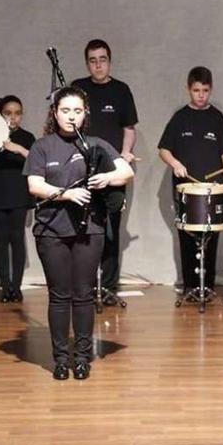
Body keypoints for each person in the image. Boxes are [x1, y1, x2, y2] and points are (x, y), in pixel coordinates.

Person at [25, 86, 133, 380]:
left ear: (85, 113)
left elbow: (126, 172)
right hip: (51, 230)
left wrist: (107, 177)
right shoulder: (42, 146)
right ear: (55, 113)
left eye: (77, 110)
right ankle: (60, 359)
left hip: (90, 229)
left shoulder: (96, 144)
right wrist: (66, 195)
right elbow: (35, 185)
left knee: (83, 295)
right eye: (65, 110)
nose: (71, 116)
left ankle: (83, 357)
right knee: (59, 296)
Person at [158, 66, 223, 293]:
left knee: (211, 234)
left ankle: (207, 285)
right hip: (186, 189)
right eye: (196, 90)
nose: (201, 95)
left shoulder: (217, 117)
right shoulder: (180, 117)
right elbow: (164, 149)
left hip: (213, 188)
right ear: (188, 90)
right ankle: (191, 286)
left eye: (205, 90)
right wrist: (175, 163)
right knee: (187, 235)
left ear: (210, 90)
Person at [72, 39, 139, 300]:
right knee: (83, 228)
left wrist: (124, 155)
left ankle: (109, 287)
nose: (98, 64)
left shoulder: (121, 90)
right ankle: (84, 287)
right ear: (87, 63)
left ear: (109, 61)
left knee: (111, 228)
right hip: (81, 169)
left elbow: (129, 129)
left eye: (102, 59)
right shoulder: (78, 89)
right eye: (92, 60)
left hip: (112, 171)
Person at [0, 95, 35, 303]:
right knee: (1, 240)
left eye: (17, 113)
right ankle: (6, 287)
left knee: (17, 239)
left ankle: (17, 287)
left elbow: (38, 162)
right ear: (0, 114)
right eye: (8, 113)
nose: (13, 117)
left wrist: (17, 148)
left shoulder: (27, 137)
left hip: (20, 193)